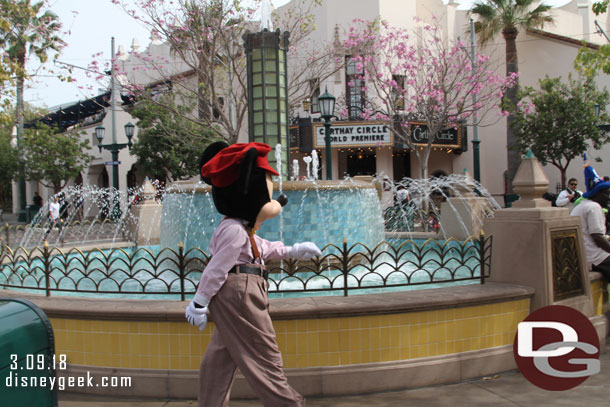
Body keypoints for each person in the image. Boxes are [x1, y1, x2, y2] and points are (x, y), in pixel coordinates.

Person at [185, 142, 321, 407]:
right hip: (240, 293)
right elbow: (218, 267)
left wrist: (292, 249)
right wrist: (199, 302)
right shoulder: (235, 230)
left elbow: (261, 249)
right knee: (264, 356)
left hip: (235, 291)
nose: (273, 202)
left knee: (220, 358)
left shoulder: (239, 228)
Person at [570, 162, 610, 282]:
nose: (609, 197)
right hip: (594, 257)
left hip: (585, 255)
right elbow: (597, 237)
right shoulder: (594, 207)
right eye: (607, 193)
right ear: (597, 193)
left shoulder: (582, 205)